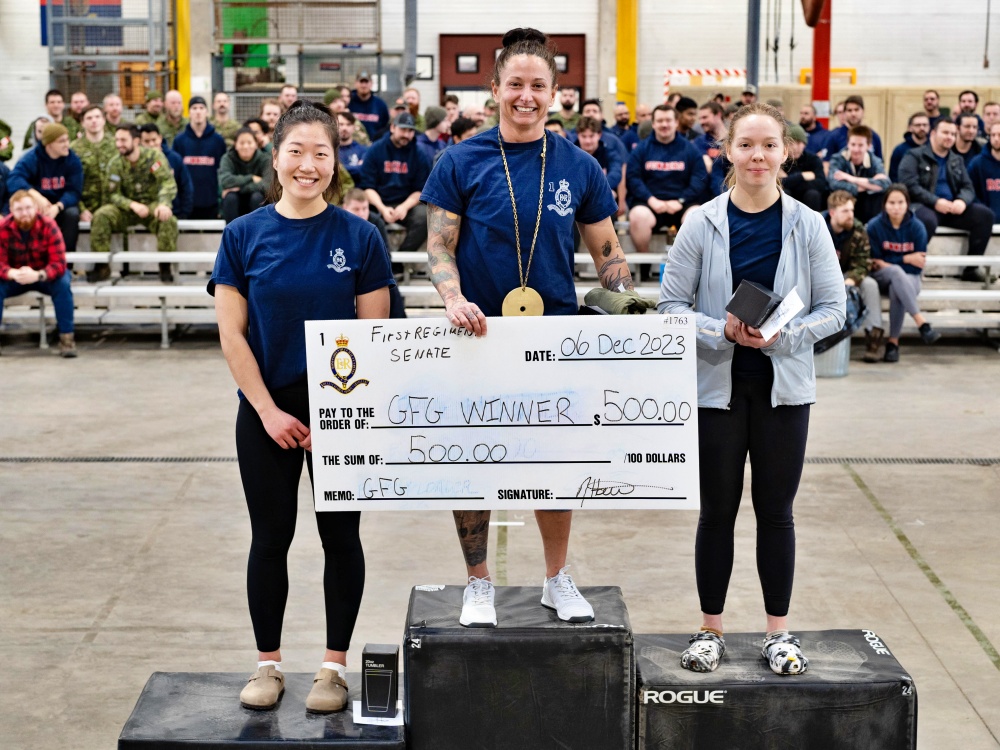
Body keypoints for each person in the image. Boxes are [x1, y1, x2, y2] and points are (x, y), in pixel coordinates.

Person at [421, 27, 642, 629]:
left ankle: (555, 577)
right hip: (477, 337)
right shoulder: (460, 160)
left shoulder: (581, 167)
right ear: (494, 90)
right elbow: (438, 246)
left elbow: (609, 256)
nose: (526, 95)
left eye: (537, 86)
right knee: (470, 463)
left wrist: (630, 313)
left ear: (556, 94)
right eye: (514, 84)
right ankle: (477, 582)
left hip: (555, 343)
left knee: (555, 463)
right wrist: (451, 295)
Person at [211, 100, 393, 713]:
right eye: (296, 152)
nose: (308, 165)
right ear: (276, 158)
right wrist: (266, 410)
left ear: (335, 162)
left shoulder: (360, 237)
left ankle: (332, 669)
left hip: (343, 411)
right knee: (271, 536)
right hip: (267, 409)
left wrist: (339, 415)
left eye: (321, 153)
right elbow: (232, 335)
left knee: (342, 537)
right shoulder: (243, 235)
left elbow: (374, 340)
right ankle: (268, 664)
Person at [658, 102, 845, 677]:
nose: (758, 156)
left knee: (776, 512)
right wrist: (723, 330)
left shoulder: (809, 224)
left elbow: (835, 309)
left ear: (786, 152)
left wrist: (783, 336)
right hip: (717, 390)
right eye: (746, 145)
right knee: (717, 512)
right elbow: (670, 308)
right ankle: (710, 629)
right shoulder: (699, 222)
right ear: (727, 152)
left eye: (769, 145)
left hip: (783, 392)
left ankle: (777, 633)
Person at [899, 118, 996, 282]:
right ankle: (912, 269)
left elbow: (968, 187)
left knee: (985, 216)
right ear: (933, 134)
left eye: (952, 134)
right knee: (926, 220)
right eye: (945, 132)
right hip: (925, 206)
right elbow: (909, 185)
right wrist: (935, 201)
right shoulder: (914, 155)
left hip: (951, 209)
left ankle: (971, 270)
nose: (949, 137)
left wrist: (962, 201)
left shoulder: (956, 159)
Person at [90, 125, 178, 283]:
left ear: (136, 141)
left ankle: (165, 266)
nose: (119, 144)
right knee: (101, 216)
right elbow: (113, 194)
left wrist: (164, 203)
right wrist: (131, 205)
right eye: (117, 140)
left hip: (152, 205)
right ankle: (102, 265)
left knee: (168, 219)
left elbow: (167, 182)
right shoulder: (115, 163)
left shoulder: (154, 157)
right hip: (127, 209)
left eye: (123, 140)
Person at [865, 185, 942, 362]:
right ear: (885, 204)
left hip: (910, 278)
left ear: (907, 204)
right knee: (896, 272)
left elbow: (918, 266)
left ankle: (893, 344)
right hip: (881, 277)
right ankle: (921, 323)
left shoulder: (917, 227)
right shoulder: (875, 226)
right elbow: (876, 263)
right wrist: (906, 259)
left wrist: (893, 260)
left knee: (896, 288)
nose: (896, 207)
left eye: (900, 202)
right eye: (891, 202)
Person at [0, 190, 77, 357]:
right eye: (19, 209)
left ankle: (67, 339)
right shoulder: (3, 228)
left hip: (43, 276)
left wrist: (39, 275)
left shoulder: (49, 225)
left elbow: (59, 263)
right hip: (16, 278)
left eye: (28, 208)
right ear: (11, 211)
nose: (25, 213)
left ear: (35, 208)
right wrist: (11, 273)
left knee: (63, 283)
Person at [626, 105, 707, 257]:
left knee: (696, 215)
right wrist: (651, 200)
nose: (664, 124)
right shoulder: (641, 149)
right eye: (660, 121)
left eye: (668, 120)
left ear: (676, 122)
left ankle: (689, 268)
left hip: (682, 203)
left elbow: (699, 179)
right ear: (654, 123)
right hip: (650, 204)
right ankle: (644, 266)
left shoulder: (690, 149)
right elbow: (633, 178)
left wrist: (681, 200)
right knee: (637, 216)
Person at [823, 190, 884, 362]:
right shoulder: (816, 225)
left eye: (852, 210)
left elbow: (863, 262)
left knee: (870, 285)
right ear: (833, 212)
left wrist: (850, 280)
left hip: (848, 275)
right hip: (821, 277)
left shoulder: (857, 229)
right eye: (845, 211)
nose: (850, 215)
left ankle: (874, 337)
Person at [358, 112, 430, 254]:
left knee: (426, 217)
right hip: (379, 203)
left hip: (406, 204)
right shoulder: (376, 150)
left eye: (410, 131)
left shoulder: (419, 153)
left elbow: (421, 189)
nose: (407, 135)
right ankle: (380, 260)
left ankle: (398, 263)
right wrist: (383, 209)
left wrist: (404, 207)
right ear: (392, 128)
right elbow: (367, 187)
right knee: (364, 217)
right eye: (403, 130)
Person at [9, 123, 83, 253]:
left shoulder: (72, 160)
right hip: (37, 204)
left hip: (60, 204)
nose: (67, 144)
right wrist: (35, 195)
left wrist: (58, 206)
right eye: (61, 141)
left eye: (67, 140)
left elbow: (74, 191)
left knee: (72, 214)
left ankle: (66, 260)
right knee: (26, 212)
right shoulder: (32, 157)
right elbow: (14, 179)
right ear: (49, 144)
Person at [172, 96, 227, 219]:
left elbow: (223, 170)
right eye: (194, 108)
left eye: (201, 108)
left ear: (207, 112)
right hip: (187, 203)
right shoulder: (179, 141)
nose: (198, 111)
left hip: (211, 201)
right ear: (189, 113)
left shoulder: (217, 140)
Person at [827, 125, 891, 223]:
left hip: (867, 204)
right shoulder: (837, 158)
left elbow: (886, 184)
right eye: (853, 144)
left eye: (860, 145)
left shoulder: (875, 160)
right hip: (844, 200)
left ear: (869, 146)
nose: (856, 149)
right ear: (847, 144)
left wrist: (851, 178)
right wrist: (867, 186)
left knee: (878, 197)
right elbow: (834, 183)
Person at [71, 105, 118, 223]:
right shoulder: (73, 149)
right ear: (82, 122)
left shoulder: (116, 145)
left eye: (97, 117)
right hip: (87, 208)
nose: (94, 121)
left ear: (104, 120)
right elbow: (70, 182)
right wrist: (81, 209)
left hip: (113, 207)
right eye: (89, 118)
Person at [139, 123, 194, 221]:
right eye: (147, 141)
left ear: (160, 138)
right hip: (145, 213)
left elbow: (186, 187)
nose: (151, 144)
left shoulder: (174, 159)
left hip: (172, 213)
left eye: (154, 140)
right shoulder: (138, 162)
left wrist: (183, 213)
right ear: (140, 142)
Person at [219, 127, 270, 223]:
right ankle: (232, 234)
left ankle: (257, 234)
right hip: (235, 203)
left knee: (257, 197)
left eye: (249, 143)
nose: (246, 146)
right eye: (242, 143)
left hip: (258, 202)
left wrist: (241, 188)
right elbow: (225, 180)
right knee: (230, 197)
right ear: (235, 145)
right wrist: (251, 177)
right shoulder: (228, 158)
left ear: (256, 144)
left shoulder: (265, 159)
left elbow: (268, 184)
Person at [780, 125, 828, 212]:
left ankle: (812, 224)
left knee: (813, 194)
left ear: (804, 144)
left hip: (808, 199)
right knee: (785, 193)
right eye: (791, 143)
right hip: (789, 198)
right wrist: (801, 176)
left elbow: (821, 184)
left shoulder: (813, 159)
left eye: (798, 143)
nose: (794, 147)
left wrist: (792, 181)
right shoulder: (781, 160)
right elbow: (779, 183)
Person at [824, 95, 882, 160]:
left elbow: (880, 165)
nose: (853, 114)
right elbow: (826, 164)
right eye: (849, 110)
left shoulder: (873, 136)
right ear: (845, 113)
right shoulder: (833, 136)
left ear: (863, 111)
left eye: (856, 110)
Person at [968, 121, 1000, 216]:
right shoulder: (977, 163)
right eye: (993, 135)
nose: (996, 139)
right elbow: (969, 192)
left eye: (999, 135)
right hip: (986, 221)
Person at [888, 113, 930, 183]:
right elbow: (893, 177)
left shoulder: (933, 149)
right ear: (910, 128)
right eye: (918, 125)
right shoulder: (899, 150)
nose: (922, 128)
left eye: (925, 125)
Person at [349, 71, 389, 142]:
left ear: (371, 83)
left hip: (374, 146)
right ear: (356, 83)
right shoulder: (349, 103)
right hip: (352, 146)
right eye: (361, 82)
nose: (364, 85)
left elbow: (385, 127)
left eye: (366, 82)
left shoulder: (380, 104)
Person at [337, 111, 367, 181]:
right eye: (341, 124)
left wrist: (340, 168)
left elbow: (362, 170)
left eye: (348, 124)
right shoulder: (329, 149)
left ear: (354, 127)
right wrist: (354, 167)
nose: (344, 128)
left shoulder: (362, 150)